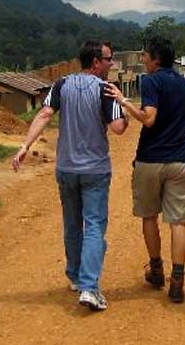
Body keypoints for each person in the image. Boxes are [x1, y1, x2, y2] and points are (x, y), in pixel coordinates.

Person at [12, 40, 128, 312]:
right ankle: (89, 287)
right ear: (96, 62)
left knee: (72, 224)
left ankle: (75, 277)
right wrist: (126, 111)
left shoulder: (61, 85)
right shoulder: (106, 90)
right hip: (95, 170)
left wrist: (24, 146)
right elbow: (118, 128)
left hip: (66, 168)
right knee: (95, 226)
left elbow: (44, 114)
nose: (112, 64)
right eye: (109, 59)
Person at [104, 36, 185, 303]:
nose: (143, 59)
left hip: (149, 160)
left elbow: (149, 118)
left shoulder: (151, 81)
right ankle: (177, 280)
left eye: (145, 55)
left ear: (156, 58)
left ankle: (156, 270)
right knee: (178, 221)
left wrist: (124, 101)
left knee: (149, 216)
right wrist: (180, 144)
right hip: (179, 159)